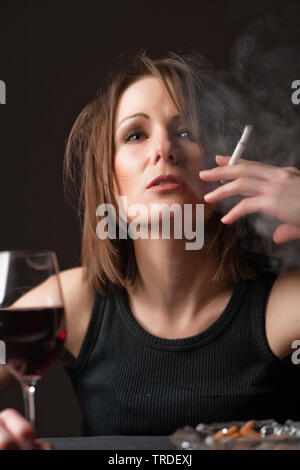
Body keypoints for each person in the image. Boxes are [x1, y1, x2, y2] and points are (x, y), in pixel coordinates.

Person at [0, 52, 300, 450]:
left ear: (225, 165)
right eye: (135, 135)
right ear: (111, 185)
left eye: (187, 132)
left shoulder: (282, 304)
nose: (164, 149)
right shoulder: (74, 301)